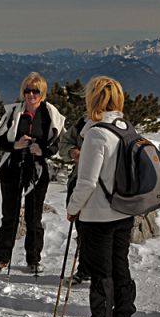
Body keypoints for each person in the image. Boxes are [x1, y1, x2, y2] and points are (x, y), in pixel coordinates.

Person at [65, 76, 135, 317]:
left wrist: (72, 209)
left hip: (98, 216)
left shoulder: (96, 133)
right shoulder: (126, 128)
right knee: (121, 271)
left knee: (101, 275)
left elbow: (87, 181)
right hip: (123, 211)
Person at [0, 72, 65, 274]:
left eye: (35, 91)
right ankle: (2, 259)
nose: (31, 95)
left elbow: (56, 144)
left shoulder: (50, 114)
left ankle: (33, 259)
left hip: (37, 170)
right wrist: (15, 145)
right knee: (9, 217)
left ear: (43, 93)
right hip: (13, 168)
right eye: (27, 90)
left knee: (34, 217)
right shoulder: (13, 113)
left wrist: (42, 150)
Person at [58, 114, 90, 284]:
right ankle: (85, 269)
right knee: (82, 227)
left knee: (100, 233)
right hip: (79, 181)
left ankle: (102, 274)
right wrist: (72, 151)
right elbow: (63, 143)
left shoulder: (117, 125)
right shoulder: (82, 122)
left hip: (106, 188)